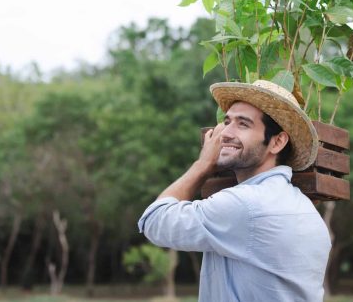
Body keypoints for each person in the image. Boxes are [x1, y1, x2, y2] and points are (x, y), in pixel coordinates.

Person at [138, 80, 331, 302]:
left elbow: (154, 221)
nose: (224, 134)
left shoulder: (246, 205)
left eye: (243, 124)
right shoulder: (307, 211)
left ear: (277, 142)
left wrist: (202, 165)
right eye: (226, 121)